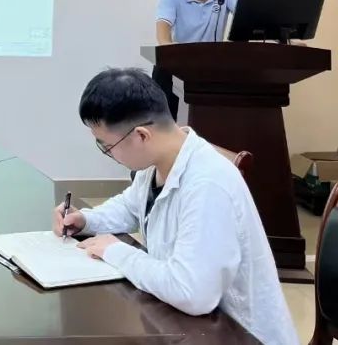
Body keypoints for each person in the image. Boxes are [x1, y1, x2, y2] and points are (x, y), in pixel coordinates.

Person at [54, 69, 297, 345]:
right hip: (193, 328)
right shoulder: (160, 160)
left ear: (141, 135)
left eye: (108, 146)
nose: (109, 154)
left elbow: (192, 293)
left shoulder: (208, 183)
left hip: (238, 335)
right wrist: (85, 220)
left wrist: (116, 251)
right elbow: (130, 207)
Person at [153, 0, 238, 119]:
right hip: (183, 59)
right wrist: (170, 48)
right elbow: (163, 31)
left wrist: (283, 37)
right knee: (161, 67)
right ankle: (163, 124)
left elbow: (249, 16)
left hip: (215, 59)